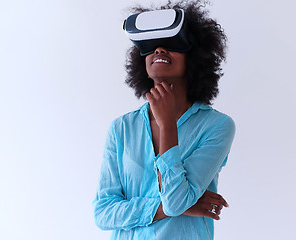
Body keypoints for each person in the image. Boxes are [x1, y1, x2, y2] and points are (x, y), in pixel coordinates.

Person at [92, 1, 235, 239]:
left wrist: (167, 125)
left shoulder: (217, 126)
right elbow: (103, 213)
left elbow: (175, 202)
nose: (159, 50)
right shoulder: (121, 128)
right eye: (150, 46)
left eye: (171, 44)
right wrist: (165, 208)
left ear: (194, 56)